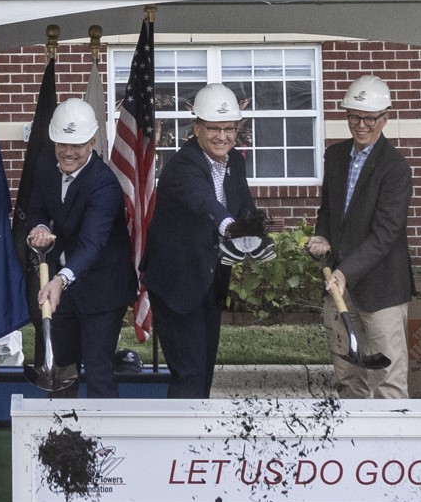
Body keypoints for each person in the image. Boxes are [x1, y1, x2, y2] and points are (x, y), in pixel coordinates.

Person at [141, 84, 263, 400]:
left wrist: (258, 233)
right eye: (214, 128)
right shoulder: (184, 164)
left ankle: (197, 443)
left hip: (209, 282)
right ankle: (179, 446)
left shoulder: (234, 161)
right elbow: (204, 202)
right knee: (189, 376)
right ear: (197, 129)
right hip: (177, 285)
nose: (222, 136)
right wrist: (231, 227)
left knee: (205, 372)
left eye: (229, 128)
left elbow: (243, 204)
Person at [16, 98, 133, 398]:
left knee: (97, 370)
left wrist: (60, 279)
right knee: (59, 370)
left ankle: (103, 443)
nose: (68, 152)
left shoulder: (104, 185)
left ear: (92, 142)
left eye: (77, 145)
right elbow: (38, 207)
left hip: (103, 286)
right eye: (62, 143)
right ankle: (61, 442)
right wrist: (40, 227)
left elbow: (92, 244)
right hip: (63, 287)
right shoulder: (45, 166)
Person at [309, 73, 413, 399]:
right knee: (348, 381)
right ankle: (354, 447)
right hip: (340, 290)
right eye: (354, 116)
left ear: (385, 117)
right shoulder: (336, 156)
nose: (361, 125)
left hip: (381, 291)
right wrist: (321, 236)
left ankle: (391, 447)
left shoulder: (396, 168)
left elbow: (385, 234)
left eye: (370, 118)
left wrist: (344, 272)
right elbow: (328, 210)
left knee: (387, 383)